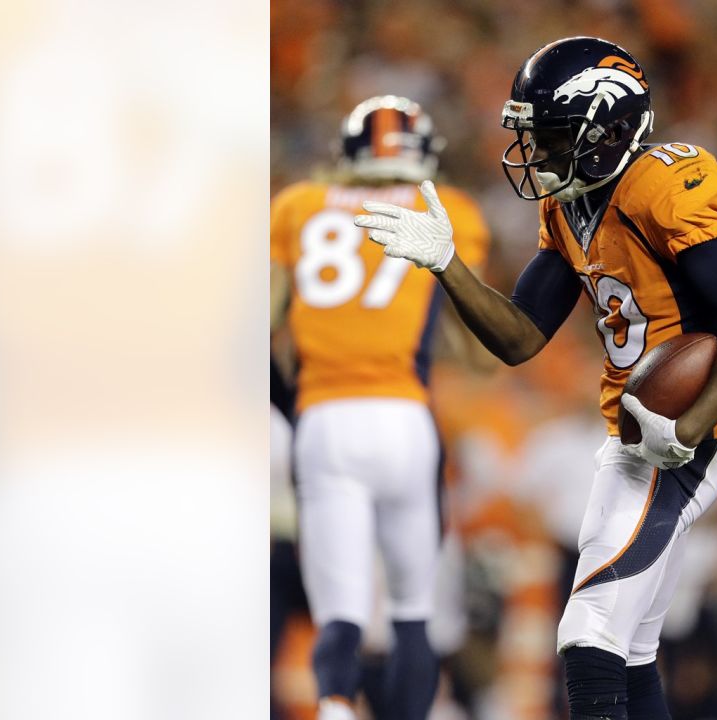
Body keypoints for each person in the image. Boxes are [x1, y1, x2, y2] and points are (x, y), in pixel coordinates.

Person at [357, 37, 717, 719]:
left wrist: (689, 424)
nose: (540, 155)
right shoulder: (570, 206)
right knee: (633, 650)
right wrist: (447, 265)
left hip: (678, 441)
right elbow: (522, 337)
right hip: (635, 436)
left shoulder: (661, 186)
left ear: (609, 128)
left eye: (554, 136)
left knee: (589, 634)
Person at [270, 95, 490, 720]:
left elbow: (259, 324)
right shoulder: (450, 211)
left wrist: (287, 399)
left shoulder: (296, 206)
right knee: (413, 610)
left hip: (324, 419)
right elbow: (467, 339)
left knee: (339, 611)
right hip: (403, 420)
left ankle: (337, 709)